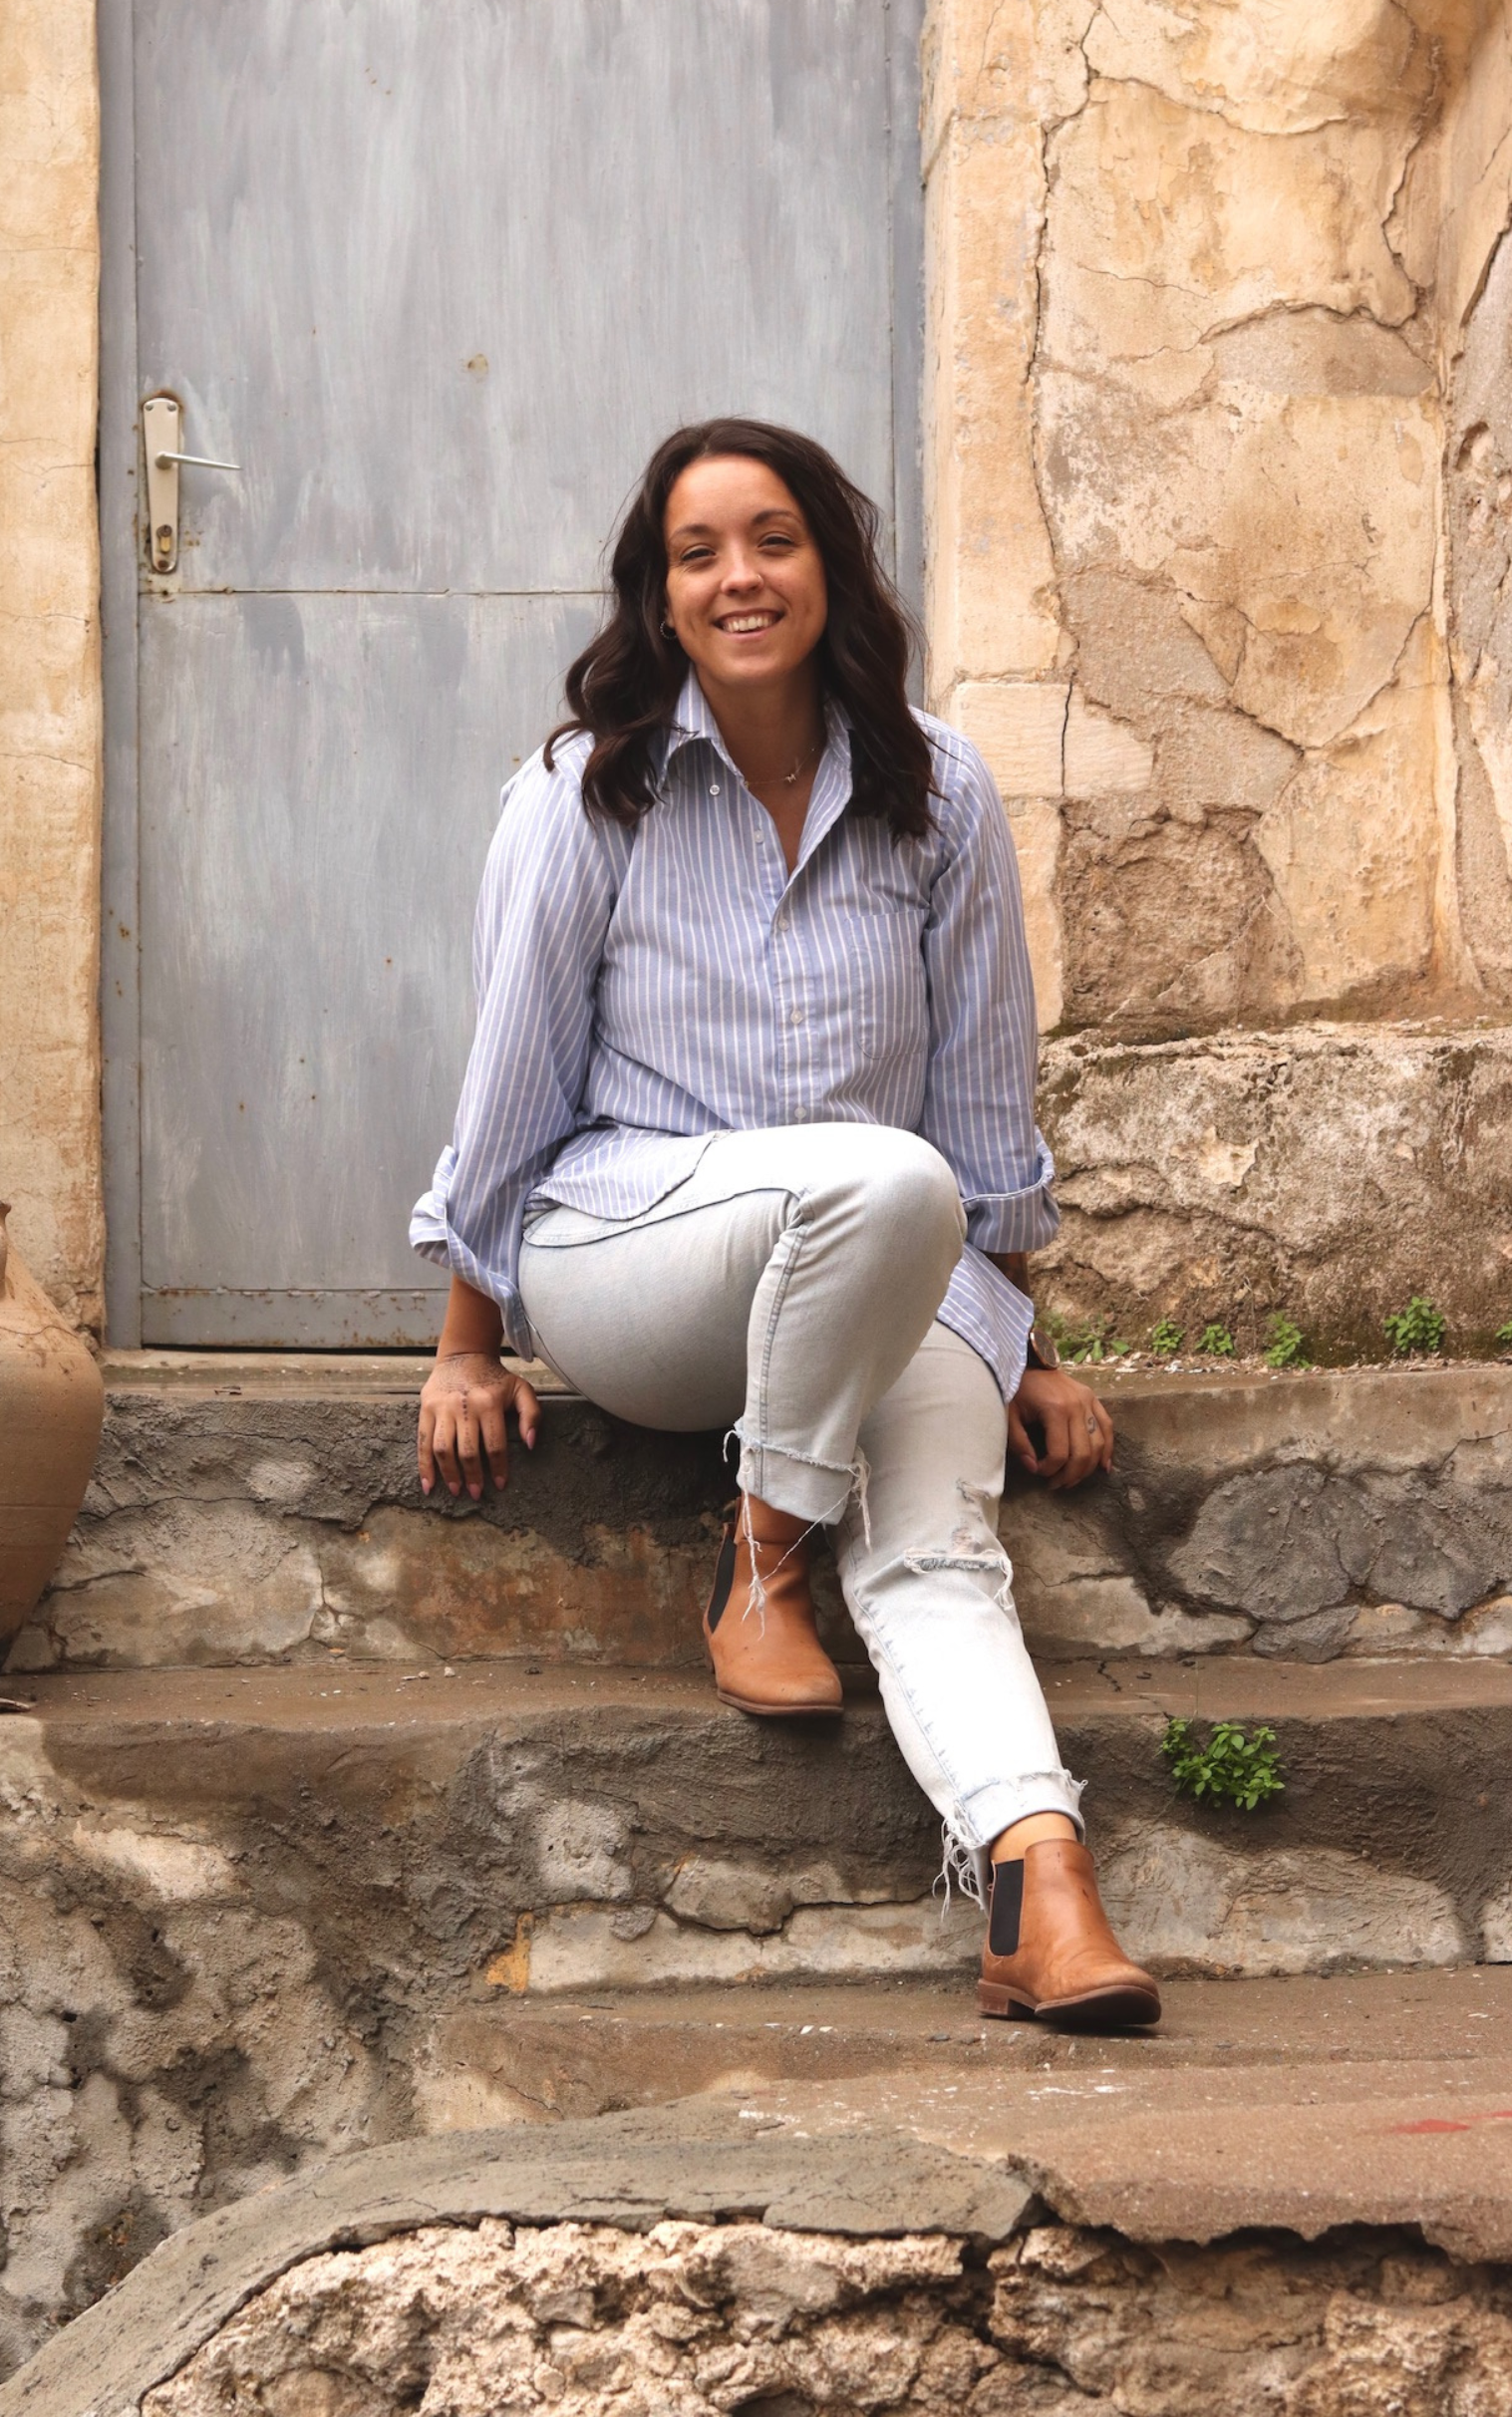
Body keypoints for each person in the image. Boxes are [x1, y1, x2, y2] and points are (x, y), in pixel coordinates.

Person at [411, 419, 1160, 2031]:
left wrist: (1019, 1343)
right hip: (640, 1254)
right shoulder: (581, 793)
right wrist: (468, 1346)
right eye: (701, 554)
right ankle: (761, 1567)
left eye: (773, 540)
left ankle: (1045, 1889)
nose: (740, 576)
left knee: (945, 1549)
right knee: (888, 1180)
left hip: (891, 1258)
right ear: (661, 598)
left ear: (831, 564)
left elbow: (981, 1096)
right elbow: (511, 1078)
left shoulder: (939, 790)